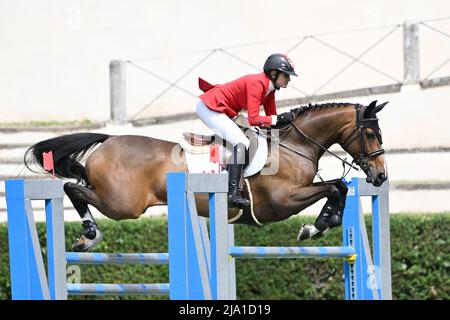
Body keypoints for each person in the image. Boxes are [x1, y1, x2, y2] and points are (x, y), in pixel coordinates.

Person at [196, 53, 298, 209]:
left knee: (252, 136)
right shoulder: (257, 83)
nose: (289, 80)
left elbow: (272, 118)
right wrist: (278, 119)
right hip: (211, 107)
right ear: (273, 73)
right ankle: (232, 194)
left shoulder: (270, 90)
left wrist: (285, 123)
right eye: (286, 76)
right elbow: (254, 119)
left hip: (225, 110)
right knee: (241, 141)